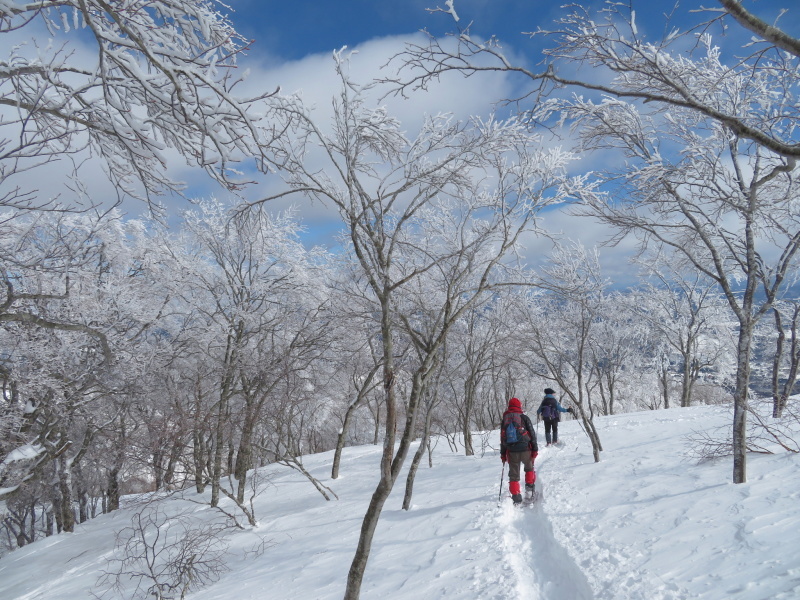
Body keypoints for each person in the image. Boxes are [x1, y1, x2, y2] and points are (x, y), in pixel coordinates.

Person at [499, 397, 538, 505]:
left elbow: (502, 438)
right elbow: (532, 435)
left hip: (512, 451)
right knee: (529, 468)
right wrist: (535, 449)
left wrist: (503, 454)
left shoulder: (505, 420)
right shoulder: (524, 417)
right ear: (519, 406)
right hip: (526, 449)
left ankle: (516, 497)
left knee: (514, 474)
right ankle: (530, 492)